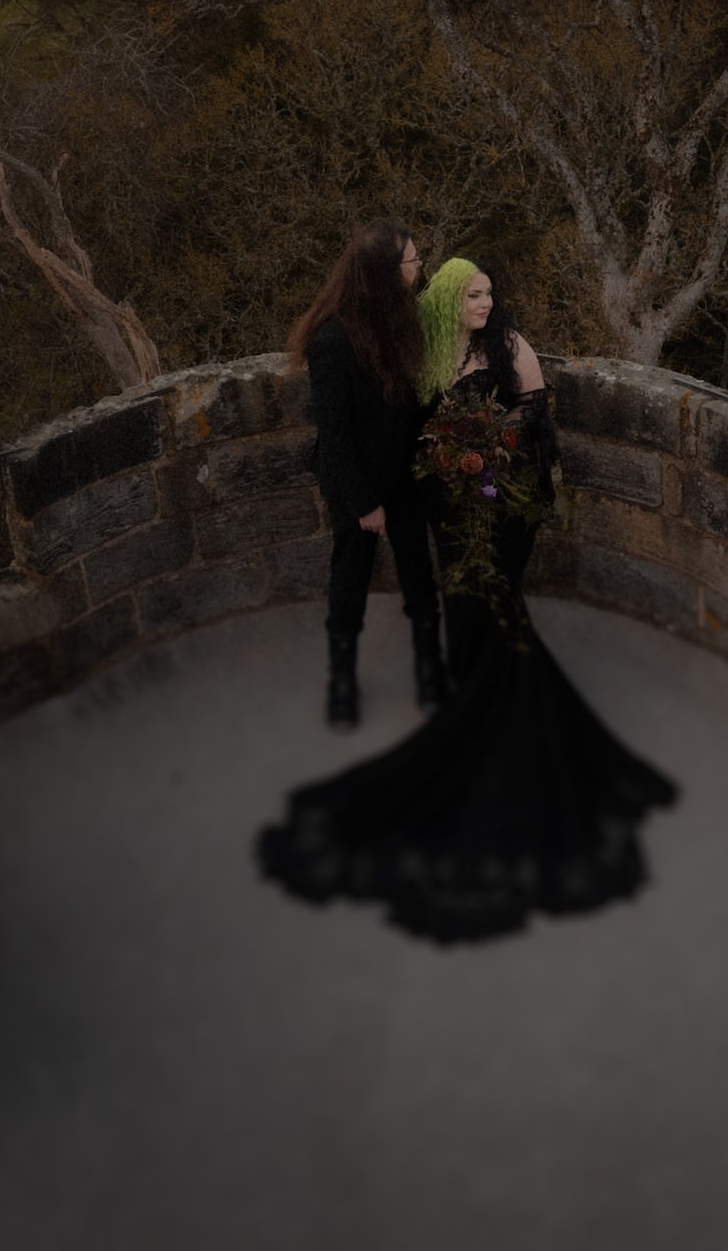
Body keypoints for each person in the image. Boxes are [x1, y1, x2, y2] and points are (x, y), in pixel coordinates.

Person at [257, 258, 680, 945]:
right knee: (464, 605)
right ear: (448, 298)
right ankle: (471, 701)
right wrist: (426, 463)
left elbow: (537, 416)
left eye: (489, 290)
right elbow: (401, 420)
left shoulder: (509, 347)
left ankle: (504, 717)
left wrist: (491, 445)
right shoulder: (426, 351)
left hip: (506, 502)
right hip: (446, 506)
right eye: (473, 292)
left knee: (493, 596)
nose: (486, 300)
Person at [290, 219, 446, 730]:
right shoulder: (332, 341)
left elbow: (417, 403)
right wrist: (363, 503)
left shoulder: (403, 321)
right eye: (413, 262)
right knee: (350, 576)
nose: (419, 270)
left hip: (405, 474)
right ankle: (341, 679)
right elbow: (334, 435)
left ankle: (428, 668)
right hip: (355, 482)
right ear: (384, 272)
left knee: (418, 571)